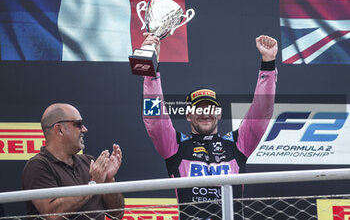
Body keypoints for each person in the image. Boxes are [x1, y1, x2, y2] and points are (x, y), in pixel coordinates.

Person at [142, 33, 278, 219]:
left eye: (210, 108)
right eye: (198, 109)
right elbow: (154, 120)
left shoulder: (238, 144)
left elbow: (262, 112)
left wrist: (268, 64)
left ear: (219, 113)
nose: (205, 113)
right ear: (188, 115)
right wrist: (151, 70)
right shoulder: (175, 146)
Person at [22, 103, 124, 220]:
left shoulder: (89, 162)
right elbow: (53, 214)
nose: (84, 129)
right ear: (59, 130)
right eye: (78, 124)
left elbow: (117, 214)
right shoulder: (38, 166)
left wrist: (108, 180)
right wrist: (93, 184)